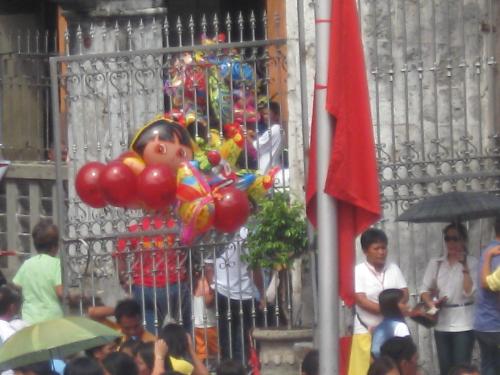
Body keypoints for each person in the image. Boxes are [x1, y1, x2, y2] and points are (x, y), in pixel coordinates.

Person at [115, 215, 191, 334]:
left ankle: (155, 351)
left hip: (145, 288)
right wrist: (190, 278)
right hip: (174, 283)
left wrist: (124, 281)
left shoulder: (135, 230)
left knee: (151, 333)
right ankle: (184, 350)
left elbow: (119, 256)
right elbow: (190, 251)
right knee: (183, 331)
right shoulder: (178, 228)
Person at [348, 228, 408, 375]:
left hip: (392, 331)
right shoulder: (358, 271)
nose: (382, 252)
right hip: (367, 330)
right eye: (376, 248)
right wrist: (392, 309)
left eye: (384, 247)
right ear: (365, 250)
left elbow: (405, 293)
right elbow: (361, 301)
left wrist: (399, 305)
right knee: (366, 370)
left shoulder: (393, 268)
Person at [419, 222, 477, 375]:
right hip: (442, 322)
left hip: (464, 322)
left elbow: (469, 291)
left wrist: (464, 267)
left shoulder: (472, 262)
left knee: (462, 368)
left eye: (455, 238)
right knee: (445, 369)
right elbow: (423, 290)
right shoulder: (436, 263)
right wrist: (431, 303)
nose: (451, 243)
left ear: (463, 240)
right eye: (447, 239)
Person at [215, 227, 264, 361]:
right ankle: (243, 367)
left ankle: (233, 366)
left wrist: (213, 286)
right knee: (244, 339)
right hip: (239, 293)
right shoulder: (245, 233)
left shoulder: (216, 231)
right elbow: (254, 267)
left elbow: (208, 264)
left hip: (232, 292)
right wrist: (262, 293)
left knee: (230, 339)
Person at [13, 220, 64, 324]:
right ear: (55, 246)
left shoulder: (27, 264)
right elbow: (60, 292)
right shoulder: (57, 264)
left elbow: (15, 288)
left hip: (29, 320)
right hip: (52, 320)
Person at [473, 217, 500, 375]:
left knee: (488, 365)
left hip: (483, 322)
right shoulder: (497, 253)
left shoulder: (488, 251)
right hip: (495, 323)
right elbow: (489, 285)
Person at [371, 289, 410, 359]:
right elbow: (407, 352)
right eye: (403, 303)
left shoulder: (379, 327)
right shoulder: (400, 326)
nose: (408, 306)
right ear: (393, 306)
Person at [192, 259, 218, 363]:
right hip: (209, 324)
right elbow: (208, 302)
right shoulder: (208, 284)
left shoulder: (196, 282)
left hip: (197, 325)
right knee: (215, 351)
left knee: (201, 352)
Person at [253, 101, 283, 174]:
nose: (264, 117)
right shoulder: (277, 129)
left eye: (267, 114)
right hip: (270, 166)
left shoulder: (274, 129)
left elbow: (257, 145)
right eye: (264, 114)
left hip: (267, 168)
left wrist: (246, 135)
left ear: (276, 115)